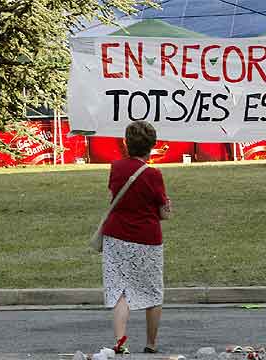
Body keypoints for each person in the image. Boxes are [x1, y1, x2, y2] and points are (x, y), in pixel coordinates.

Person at [101, 121, 171, 354]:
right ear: (152, 146)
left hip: (116, 236)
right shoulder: (154, 174)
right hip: (147, 238)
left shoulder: (116, 167)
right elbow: (163, 213)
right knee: (152, 291)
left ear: (126, 143)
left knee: (120, 289)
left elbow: (112, 196)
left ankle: (120, 340)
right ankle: (151, 343)